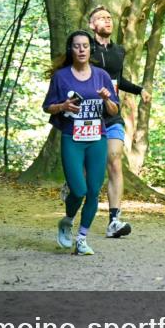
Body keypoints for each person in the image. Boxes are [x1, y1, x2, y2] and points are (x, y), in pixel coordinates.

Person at [43, 30, 119, 256]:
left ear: (91, 49)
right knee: (78, 189)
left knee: (94, 190)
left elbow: (114, 110)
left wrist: (107, 99)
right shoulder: (61, 77)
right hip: (72, 138)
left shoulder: (102, 75)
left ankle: (82, 238)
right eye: (77, 46)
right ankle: (67, 221)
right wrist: (63, 106)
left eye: (85, 45)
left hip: (97, 137)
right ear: (71, 50)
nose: (82, 50)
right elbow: (47, 106)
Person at [85, 5, 151, 238]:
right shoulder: (84, 48)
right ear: (92, 25)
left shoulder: (118, 51)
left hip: (112, 114)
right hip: (87, 114)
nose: (107, 21)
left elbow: (118, 79)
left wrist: (139, 89)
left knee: (114, 159)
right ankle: (74, 184)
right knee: (86, 167)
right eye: (101, 18)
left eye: (109, 18)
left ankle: (114, 221)